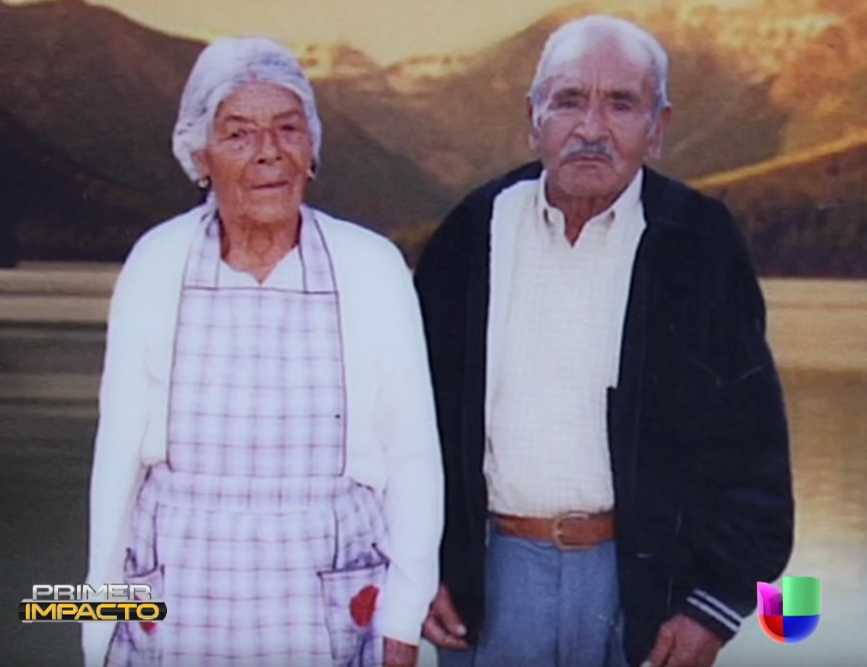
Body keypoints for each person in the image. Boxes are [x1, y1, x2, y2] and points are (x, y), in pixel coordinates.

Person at [415, 15, 793, 667]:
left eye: (620, 103)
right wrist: (419, 565)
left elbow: (753, 448)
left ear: (658, 127)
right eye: (568, 100)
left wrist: (714, 606)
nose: (590, 128)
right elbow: (405, 428)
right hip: (491, 584)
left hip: (645, 590)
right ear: (533, 117)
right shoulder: (471, 233)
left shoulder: (699, 241)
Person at [83, 37, 442, 667]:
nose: (268, 151)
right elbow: (117, 462)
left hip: (330, 599)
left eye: (287, 127)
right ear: (201, 156)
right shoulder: (157, 262)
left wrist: (404, 623)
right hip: (179, 593)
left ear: (312, 149)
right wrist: (98, 625)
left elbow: (412, 458)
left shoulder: (372, 266)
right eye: (238, 134)